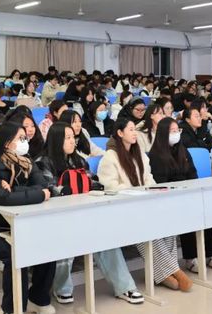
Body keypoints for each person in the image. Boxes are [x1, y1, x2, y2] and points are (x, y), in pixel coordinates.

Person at [35, 122, 144, 305]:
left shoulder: (78, 160)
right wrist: (67, 190)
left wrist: (97, 186)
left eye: (73, 137)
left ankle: (124, 287)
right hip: (56, 218)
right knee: (62, 241)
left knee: (106, 239)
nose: (73, 141)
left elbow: (92, 181)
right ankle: (61, 288)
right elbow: (48, 188)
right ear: (56, 139)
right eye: (67, 138)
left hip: (83, 213)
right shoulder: (42, 162)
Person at [98, 118, 193, 292]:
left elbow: (150, 180)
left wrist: (149, 193)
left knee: (168, 224)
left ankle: (164, 274)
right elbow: (110, 187)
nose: (135, 133)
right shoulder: (109, 158)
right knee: (145, 228)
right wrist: (134, 192)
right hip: (123, 209)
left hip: (145, 205)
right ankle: (176, 272)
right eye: (131, 129)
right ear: (120, 133)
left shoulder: (140, 155)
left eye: (135, 129)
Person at [0, 122, 55, 314]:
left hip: (22, 223)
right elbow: (2, 198)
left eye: (25, 138)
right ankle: (12, 309)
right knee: (15, 254)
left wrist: (15, 189)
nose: (25, 142)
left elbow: (44, 186)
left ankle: (38, 298)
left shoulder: (26, 161)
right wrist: (35, 194)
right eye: (20, 138)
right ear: (6, 142)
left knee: (49, 247)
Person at [149, 117, 212, 272]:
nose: (176, 134)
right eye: (172, 131)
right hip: (169, 197)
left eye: (177, 130)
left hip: (188, 192)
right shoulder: (155, 155)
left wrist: (192, 189)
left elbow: (192, 173)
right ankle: (191, 257)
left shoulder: (183, 150)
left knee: (202, 207)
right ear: (163, 133)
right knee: (187, 212)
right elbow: (160, 182)